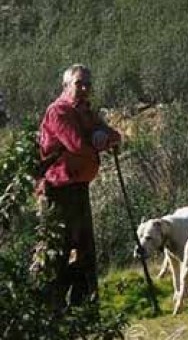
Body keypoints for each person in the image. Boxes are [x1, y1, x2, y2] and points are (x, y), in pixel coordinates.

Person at [37, 63, 121, 311]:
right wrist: (101, 141)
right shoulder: (58, 112)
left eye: (87, 84)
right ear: (66, 86)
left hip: (78, 187)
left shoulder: (85, 111)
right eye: (79, 84)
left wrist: (105, 137)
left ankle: (82, 307)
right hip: (57, 189)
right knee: (58, 250)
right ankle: (53, 309)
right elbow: (77, 146)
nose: (84, 88)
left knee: (84, 249)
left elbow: (114, 135)